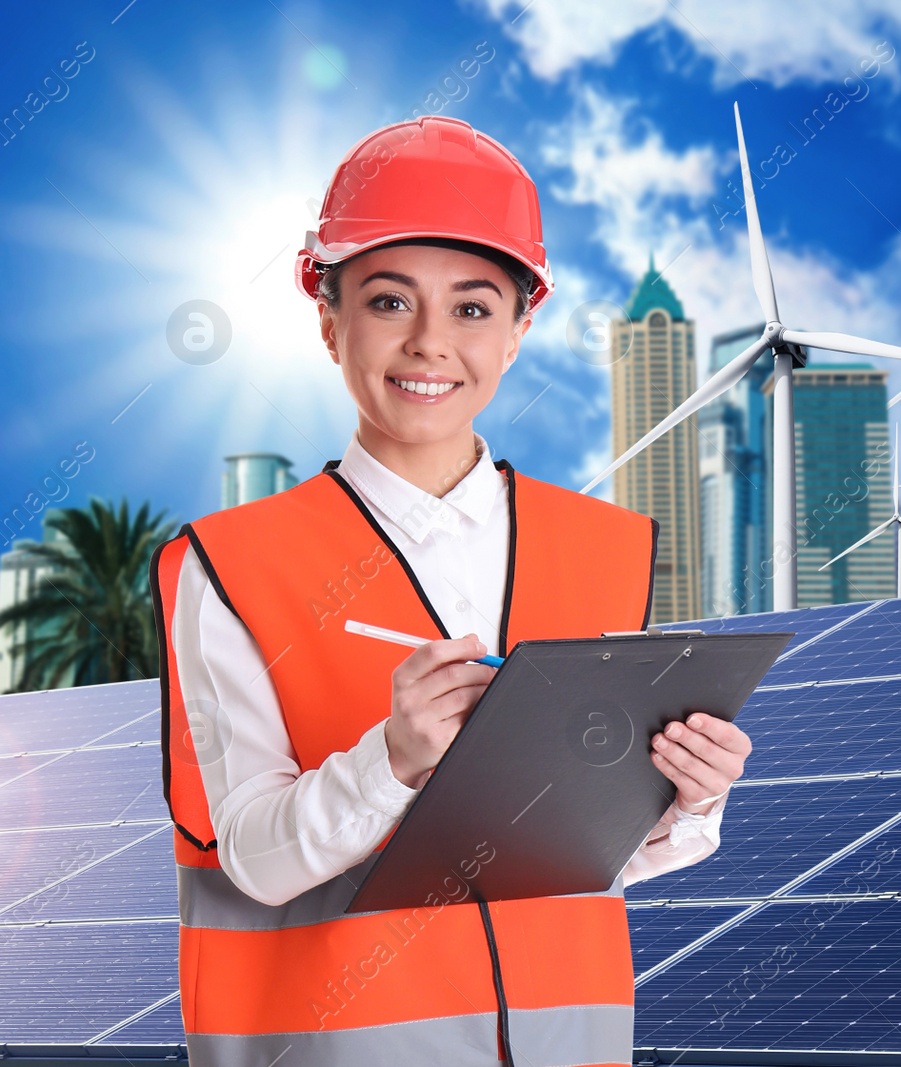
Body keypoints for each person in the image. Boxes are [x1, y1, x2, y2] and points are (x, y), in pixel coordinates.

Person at [148, 114, 752, 1066]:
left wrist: (685, 803)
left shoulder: (607, 548)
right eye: (390, 301)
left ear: (520, 330)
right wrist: (387, 761)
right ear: (327, 318)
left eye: (472, 308)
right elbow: (253, 861)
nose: (431, 342)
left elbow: (582, 860)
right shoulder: (230, 565)